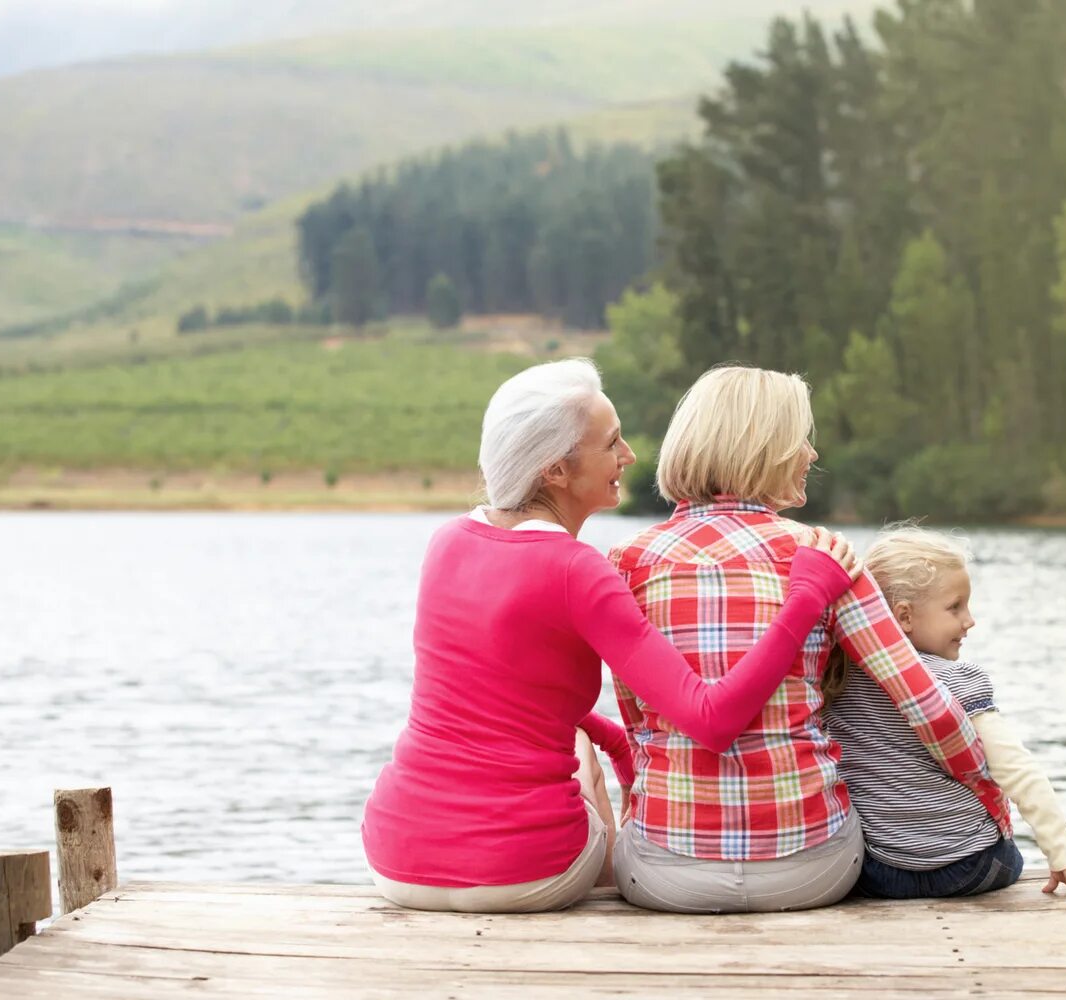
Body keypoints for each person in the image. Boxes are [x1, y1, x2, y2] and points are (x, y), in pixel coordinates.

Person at [361, 358, 859, 913]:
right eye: (612, 443)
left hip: (394, 857)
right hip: (521, 872)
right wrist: (806, 598)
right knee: (575, 748)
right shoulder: (577, 569)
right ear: (556, 471)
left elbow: (506, 700)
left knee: (563, 729)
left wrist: (619, 744)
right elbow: (712, 720)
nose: (629, 457)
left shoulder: (446, 542)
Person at [607, 365, 1009, 914]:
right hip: (812, 869)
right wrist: (989, 794)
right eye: (801, 439)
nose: (811, 455)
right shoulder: (825, 555)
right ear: (764, 446)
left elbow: (636, 723)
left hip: (667, 876)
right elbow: (928, 707)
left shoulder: (626, 564)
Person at [823, 525, 1066, 900]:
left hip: (882, 872)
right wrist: (1063, 856)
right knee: (1007, 852)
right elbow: (1017, 771)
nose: (970, 620)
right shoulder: (956, 680)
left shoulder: (838, 680)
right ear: (904, 616)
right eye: (955, 607)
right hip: (969, 868)